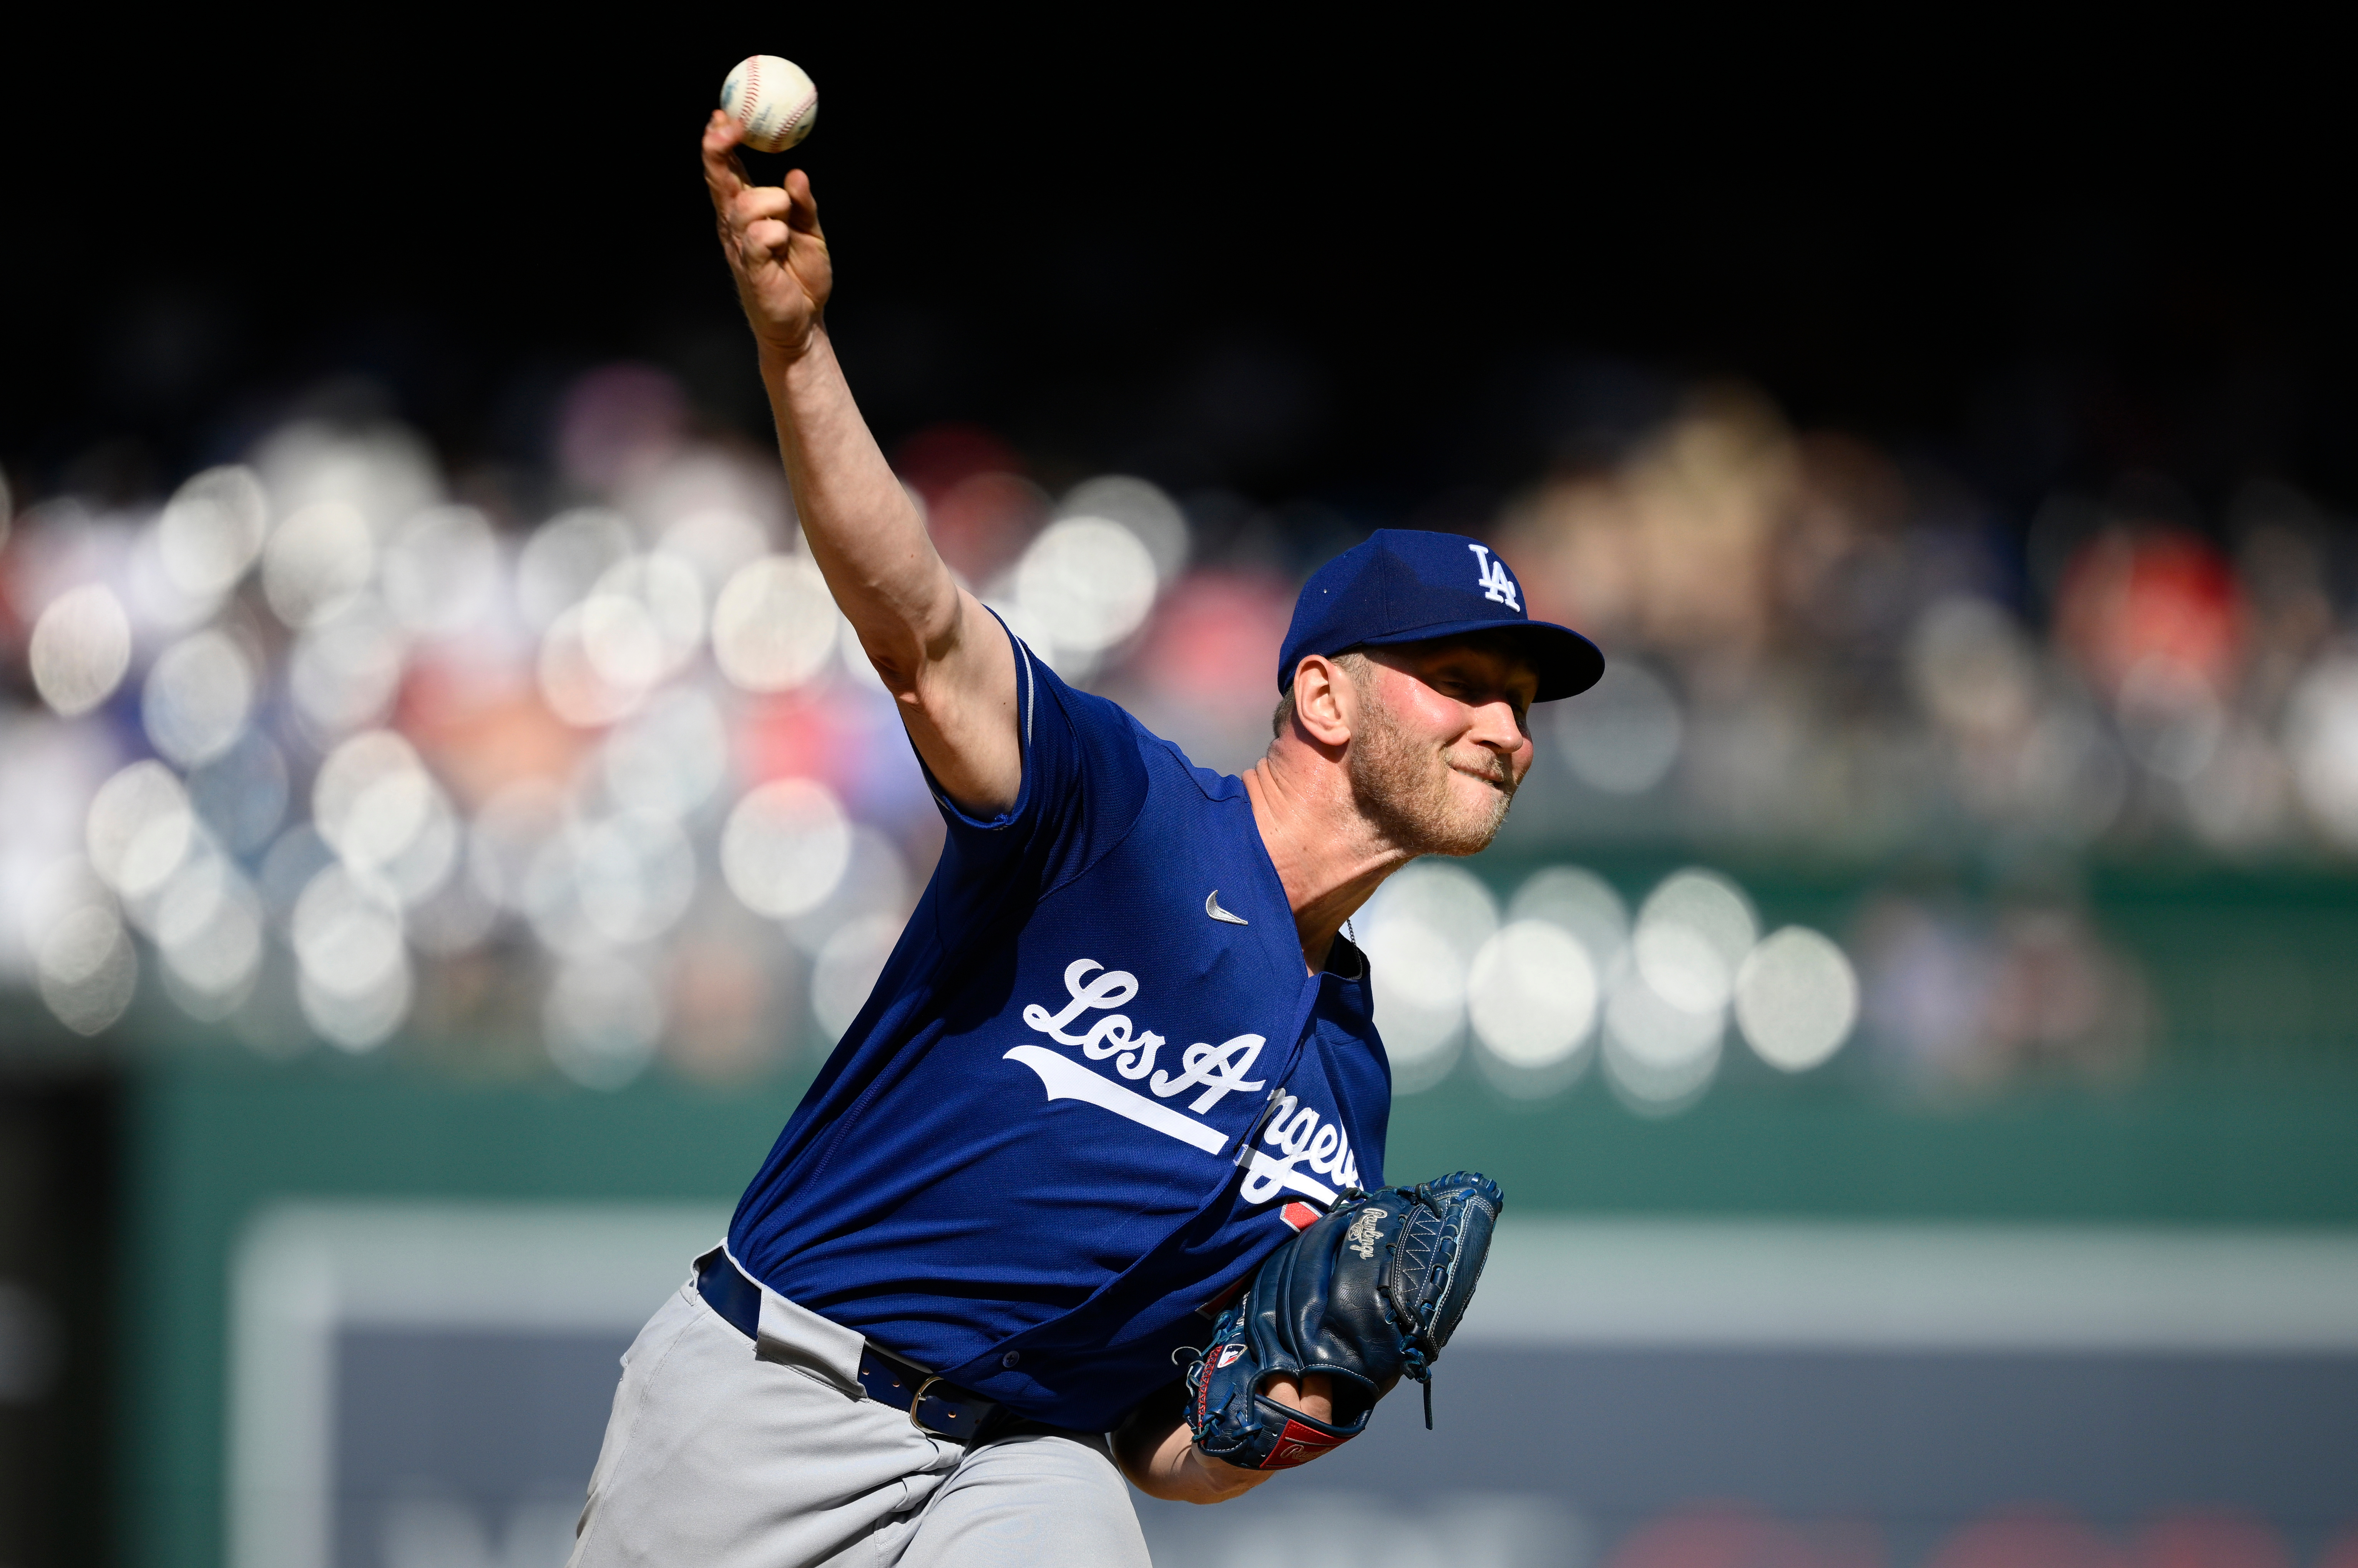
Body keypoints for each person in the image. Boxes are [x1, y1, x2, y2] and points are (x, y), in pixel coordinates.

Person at [566, 109, 1604, 1568]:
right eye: (1465, 684)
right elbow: (921, 628)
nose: (1508, 728)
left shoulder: (1347, 1076)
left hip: (1017, 1464)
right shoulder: (1119, 811)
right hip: (779, 1389)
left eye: (1520, 702)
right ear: (1321, 691)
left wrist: (1287, 1416)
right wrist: (796, 349)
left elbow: (1162, 1446)